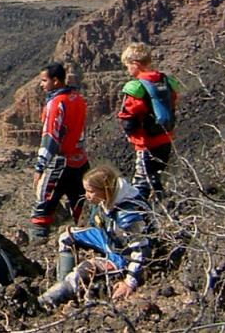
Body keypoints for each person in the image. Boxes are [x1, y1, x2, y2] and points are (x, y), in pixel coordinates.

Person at [38, 165, 153, 308]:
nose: (86, 195)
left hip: (122, 254)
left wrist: (129, 282)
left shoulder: (127, 214)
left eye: (90, 191)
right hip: (109, 238)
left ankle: (50, 299)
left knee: (81, 272)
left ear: (106, 189)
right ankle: (62, 282)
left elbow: (142, 250)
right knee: (66, 237)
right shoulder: (105, 200)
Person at [30, 62, 89, 240]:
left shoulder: (56, 103)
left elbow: (50, 136)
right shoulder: (77, 98)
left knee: (43, 206)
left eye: (44, 80)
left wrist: (40, 167)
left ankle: (36, 248)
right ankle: (87, 241)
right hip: (80, 161)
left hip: (60, 162)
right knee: (82, 205)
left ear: (55, 81)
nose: (41, 84)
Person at [118, 42, 179, 200]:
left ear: (136, 64)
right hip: (165, 139)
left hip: (146, 143)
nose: (128, 70)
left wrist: (130, 135)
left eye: (128, 66)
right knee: (156, 178)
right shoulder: (166, 81)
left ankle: (142, 219)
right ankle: (162, 210)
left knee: (141, 185)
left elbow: (127, 117)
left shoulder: (136, 87)